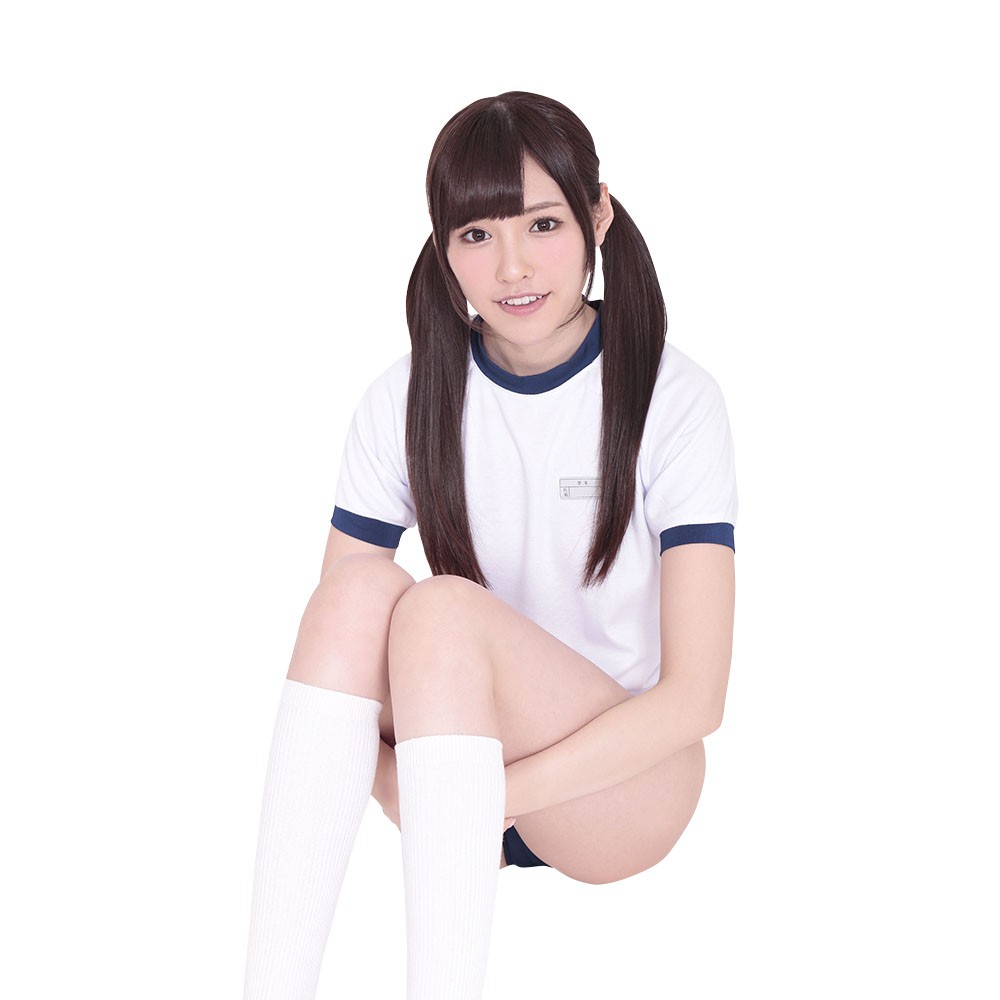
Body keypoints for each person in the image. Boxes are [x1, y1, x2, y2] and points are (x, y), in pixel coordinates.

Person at [242, 91, 737, 1000]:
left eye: (543, 224)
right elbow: (343, 669)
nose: (512, 266)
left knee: (439, 606)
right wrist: (407, 784)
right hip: (448, 754)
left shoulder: (673, 398)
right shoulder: (402, 398)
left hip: (621, 788)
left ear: (598, 215)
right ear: (442, 248)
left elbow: (696, 700)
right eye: (476, 235)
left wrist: (477, 799)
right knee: (356, 594)